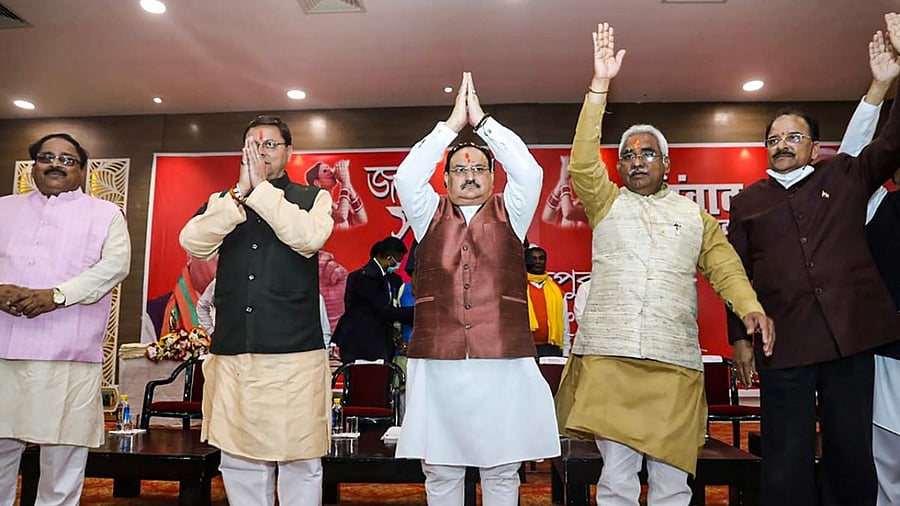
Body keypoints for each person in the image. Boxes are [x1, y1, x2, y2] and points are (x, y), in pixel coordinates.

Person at [555, 23, 774, 506]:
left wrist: (751, 307)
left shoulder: (693, 216)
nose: (636, 161)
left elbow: (726, 267)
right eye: (628, 155)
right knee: (616, 477)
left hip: (673, 361)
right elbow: (582, 161)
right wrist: (599, 88)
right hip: (612, 357)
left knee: (673, 482)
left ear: (666, 164)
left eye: (647, 153)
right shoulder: (605, 202)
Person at [726, 18, 900, 505]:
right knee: (785, 456)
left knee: (851, 451)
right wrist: (740, 338)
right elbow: (733, 271)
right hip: (784, 344)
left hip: (850, 338)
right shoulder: (747, 202)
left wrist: (891, 79)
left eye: (793, 137)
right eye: (774, 138)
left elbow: (891, 142)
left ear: (815, 147)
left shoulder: (846, 177)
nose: (782, 144)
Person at [394, 71, 560, 505]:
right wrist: (450, 127)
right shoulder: (426, 211)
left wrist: (482, 122)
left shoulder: (514, 213)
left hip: (501, 358)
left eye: (478, 168)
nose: (469, 175)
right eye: (459, 169)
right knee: (441, 469)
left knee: (502, 469)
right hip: (438, 359)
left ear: (492, 176)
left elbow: (528, 169)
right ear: (445, 179)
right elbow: (408, 176)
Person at [179, 115, 334, 505]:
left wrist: (261, 191)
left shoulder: (312, 198)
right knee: (239, 458)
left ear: (289, 152)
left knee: (300, 458)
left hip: (294, 354)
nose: (260, 151)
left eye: (269, 144)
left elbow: (308, 238)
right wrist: (238, 197)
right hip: (234, 351)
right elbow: (193, 242)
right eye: (253, 144)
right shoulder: (222, 201)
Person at [0, 133, 131, 506]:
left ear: (84, 170)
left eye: (67, 159)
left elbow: (115, 267)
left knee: (63, 458)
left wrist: (56, 296)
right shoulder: (4, 208)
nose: (55, 164)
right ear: (33, 166)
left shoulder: (105, 214)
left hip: (67, 352)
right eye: (46, 157)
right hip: (4, 350)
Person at [331, 236, 414, 364]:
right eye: (399, 260)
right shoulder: (364, 278)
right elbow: (384, 310)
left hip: (379, 341)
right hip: (361, 343)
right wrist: (419, 313)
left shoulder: (391, 279)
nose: (399, 264)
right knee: (366, 381)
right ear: (389, 258)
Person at [525, 246, 570, 357]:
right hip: (525, 349)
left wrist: (565, 351)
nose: (538, 262)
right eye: (534, 259)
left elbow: (565, 323)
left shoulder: (556, 290)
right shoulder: (518, 289)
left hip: (551, 348)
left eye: (541, 258)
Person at [305, 159, 368, 229]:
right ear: (317, 183)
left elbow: (362, 219)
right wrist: (345, 182)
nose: (331, 172)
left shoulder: (337, 206)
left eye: (329, 169)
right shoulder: (318, 205)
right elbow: (342, 216)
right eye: (325, 171)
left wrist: (348, 183)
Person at [541, 156, 589, 228]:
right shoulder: (572, 203)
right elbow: (547, 217)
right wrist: (561, 180)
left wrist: (564, 178)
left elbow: (568, 213)